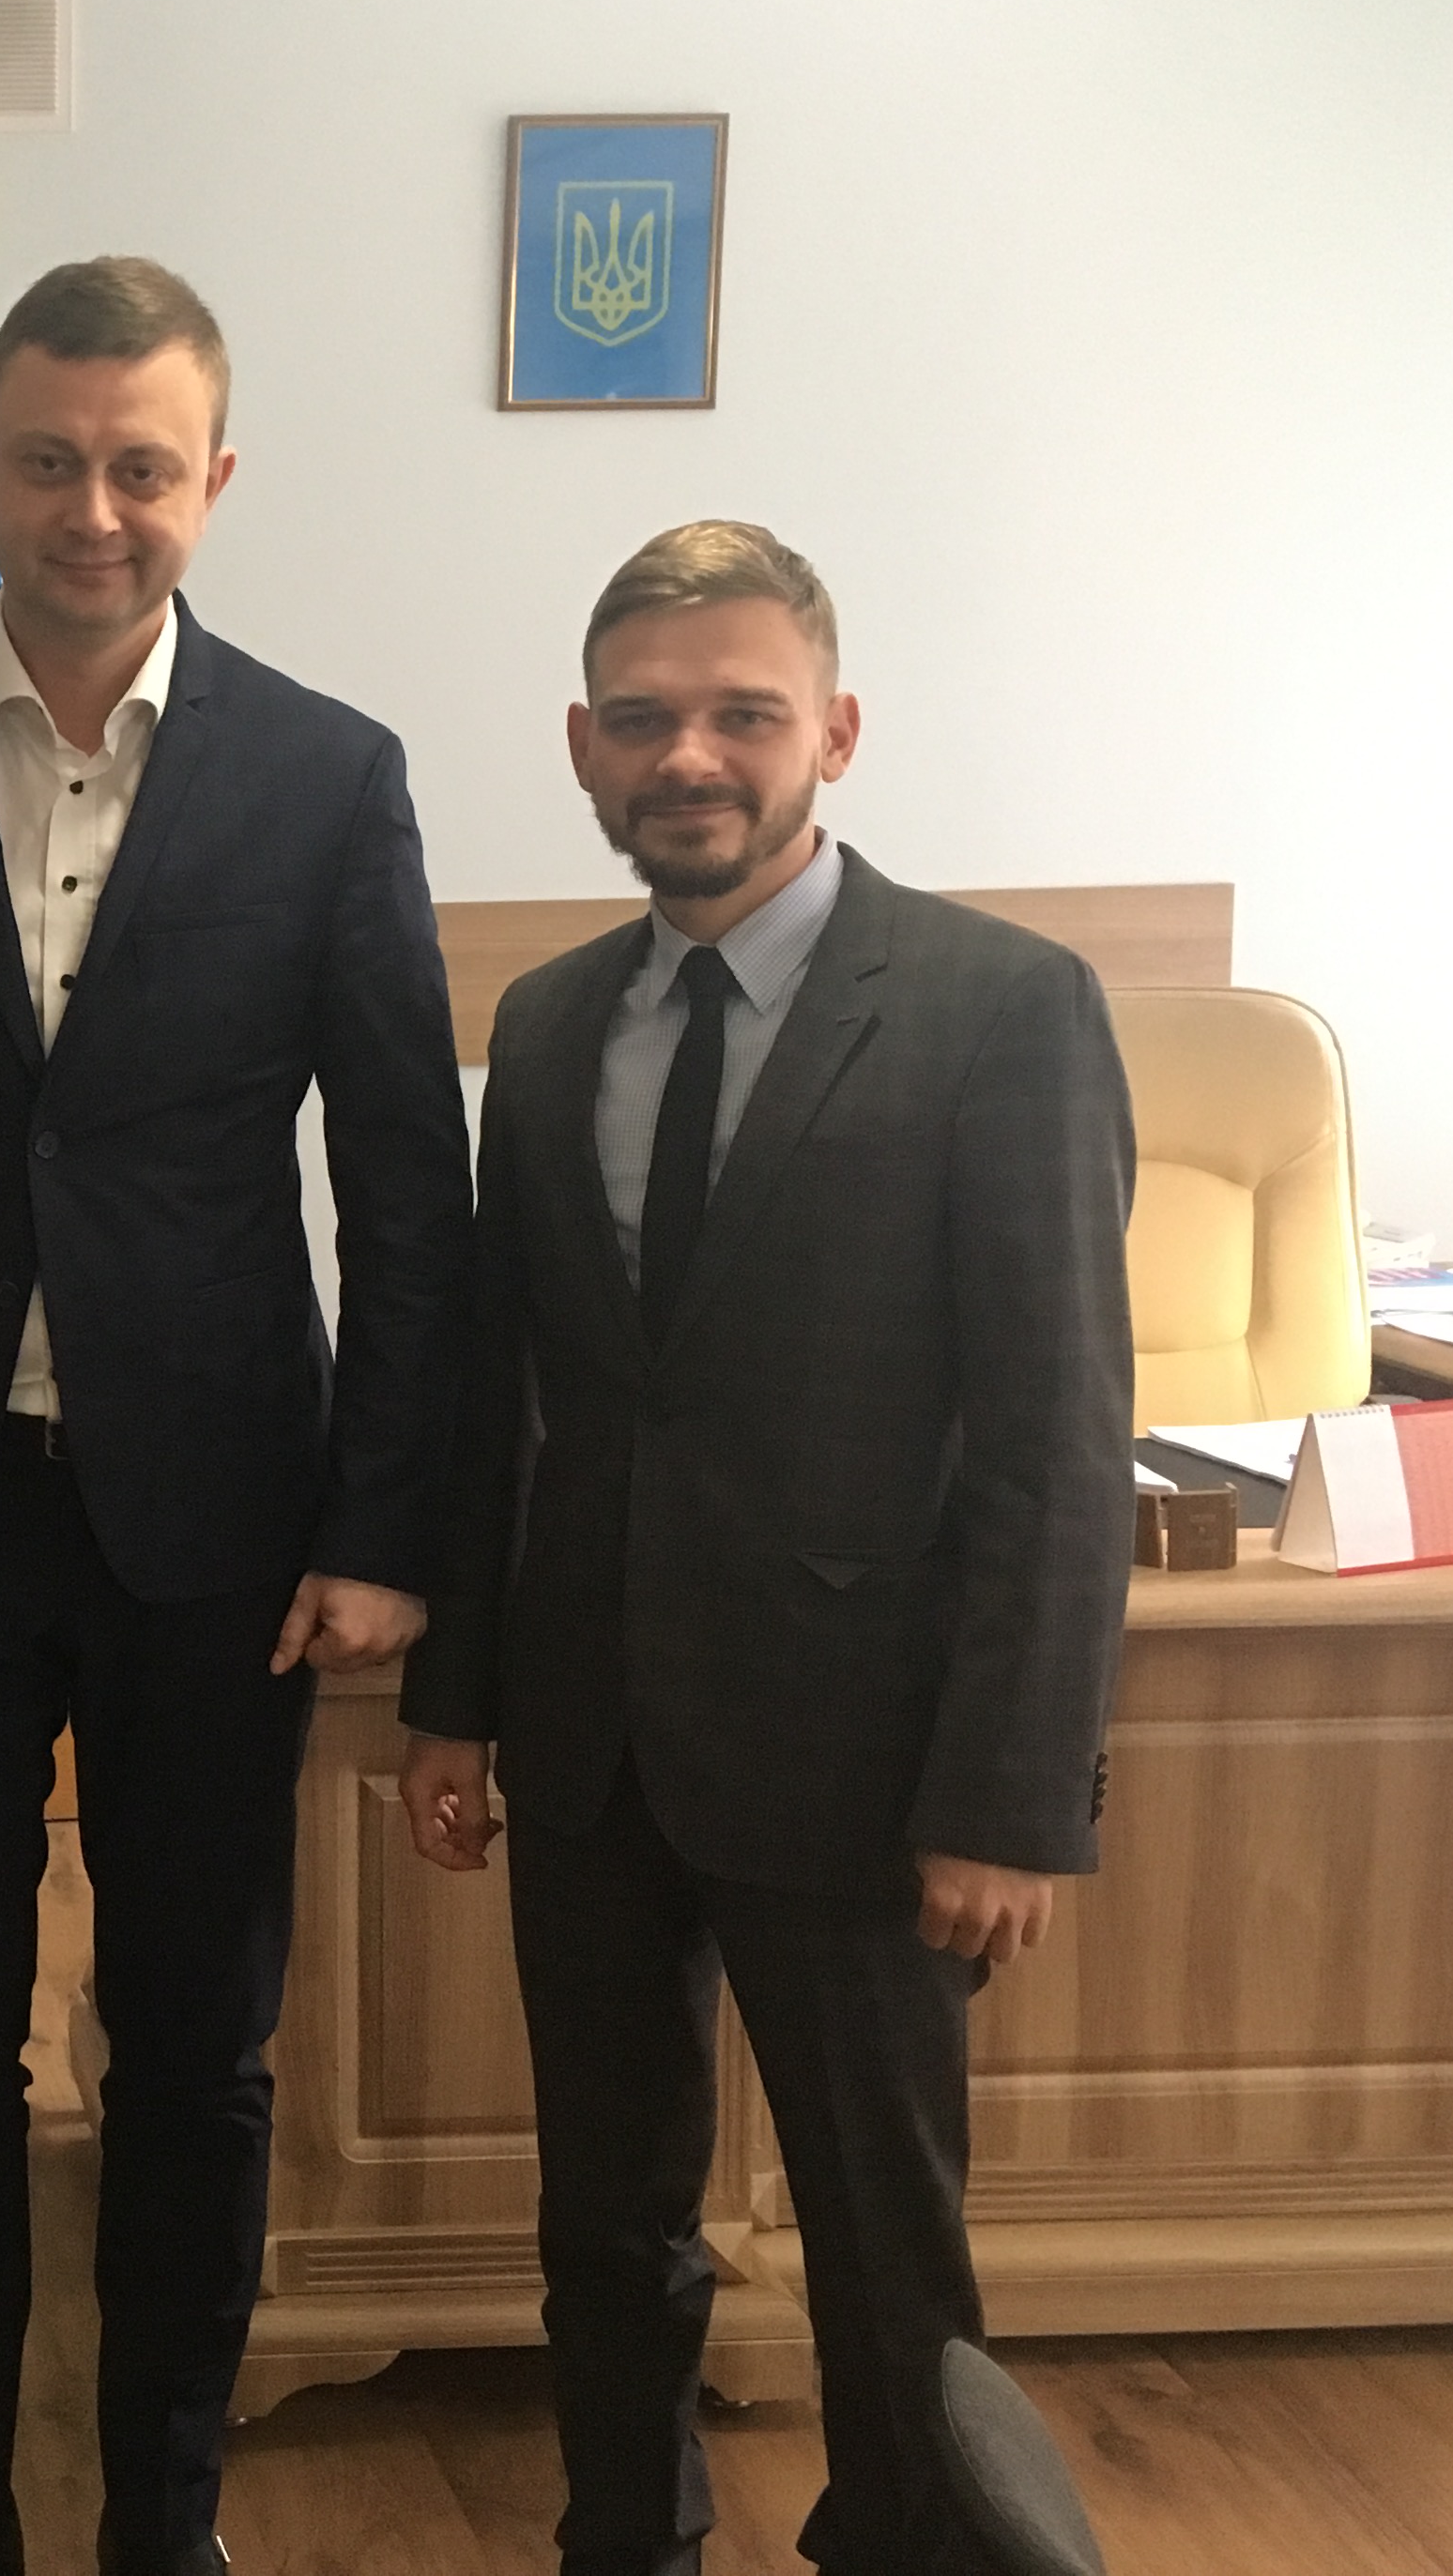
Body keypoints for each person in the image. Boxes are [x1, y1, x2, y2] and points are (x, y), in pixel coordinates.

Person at [0, 257, 473, 2576]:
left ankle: (167, 2521)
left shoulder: (330, 776)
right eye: (48, 461)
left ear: (214, 481)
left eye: (142, 467)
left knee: (199, 2049)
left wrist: (384, 1518)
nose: (93, 509)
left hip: (224, 1528)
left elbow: (408, 1184)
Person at [397, 520, 1137, 2576]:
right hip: (594, 1741)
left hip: (869, 1759)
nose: (691, 757)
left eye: (744, 713)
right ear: (583, 745)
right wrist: (455, 1704)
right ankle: (625, 2541)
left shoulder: (1004, 1009)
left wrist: (1010, 1797)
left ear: (838, 730)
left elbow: (1060, 1439)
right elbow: (506, 1394)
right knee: (604, 2218)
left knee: (887, 2246)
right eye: (643, 720)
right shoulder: (551, 1024)